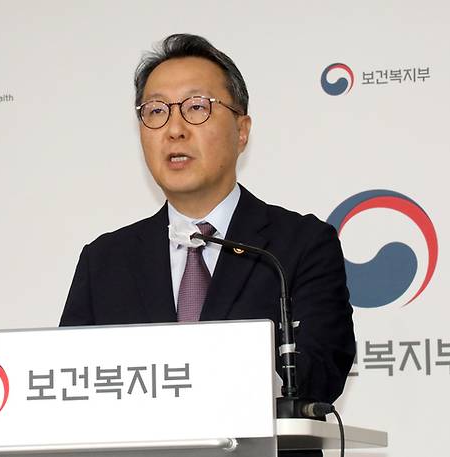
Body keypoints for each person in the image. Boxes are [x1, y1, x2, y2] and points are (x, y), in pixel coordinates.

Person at [61, 33, 355, 431]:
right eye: (156, 111)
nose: (175, 129)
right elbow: (69, 388)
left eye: (197, 107)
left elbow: (321, 375)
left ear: (242, 130)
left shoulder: (299, 246)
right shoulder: (104, 260)